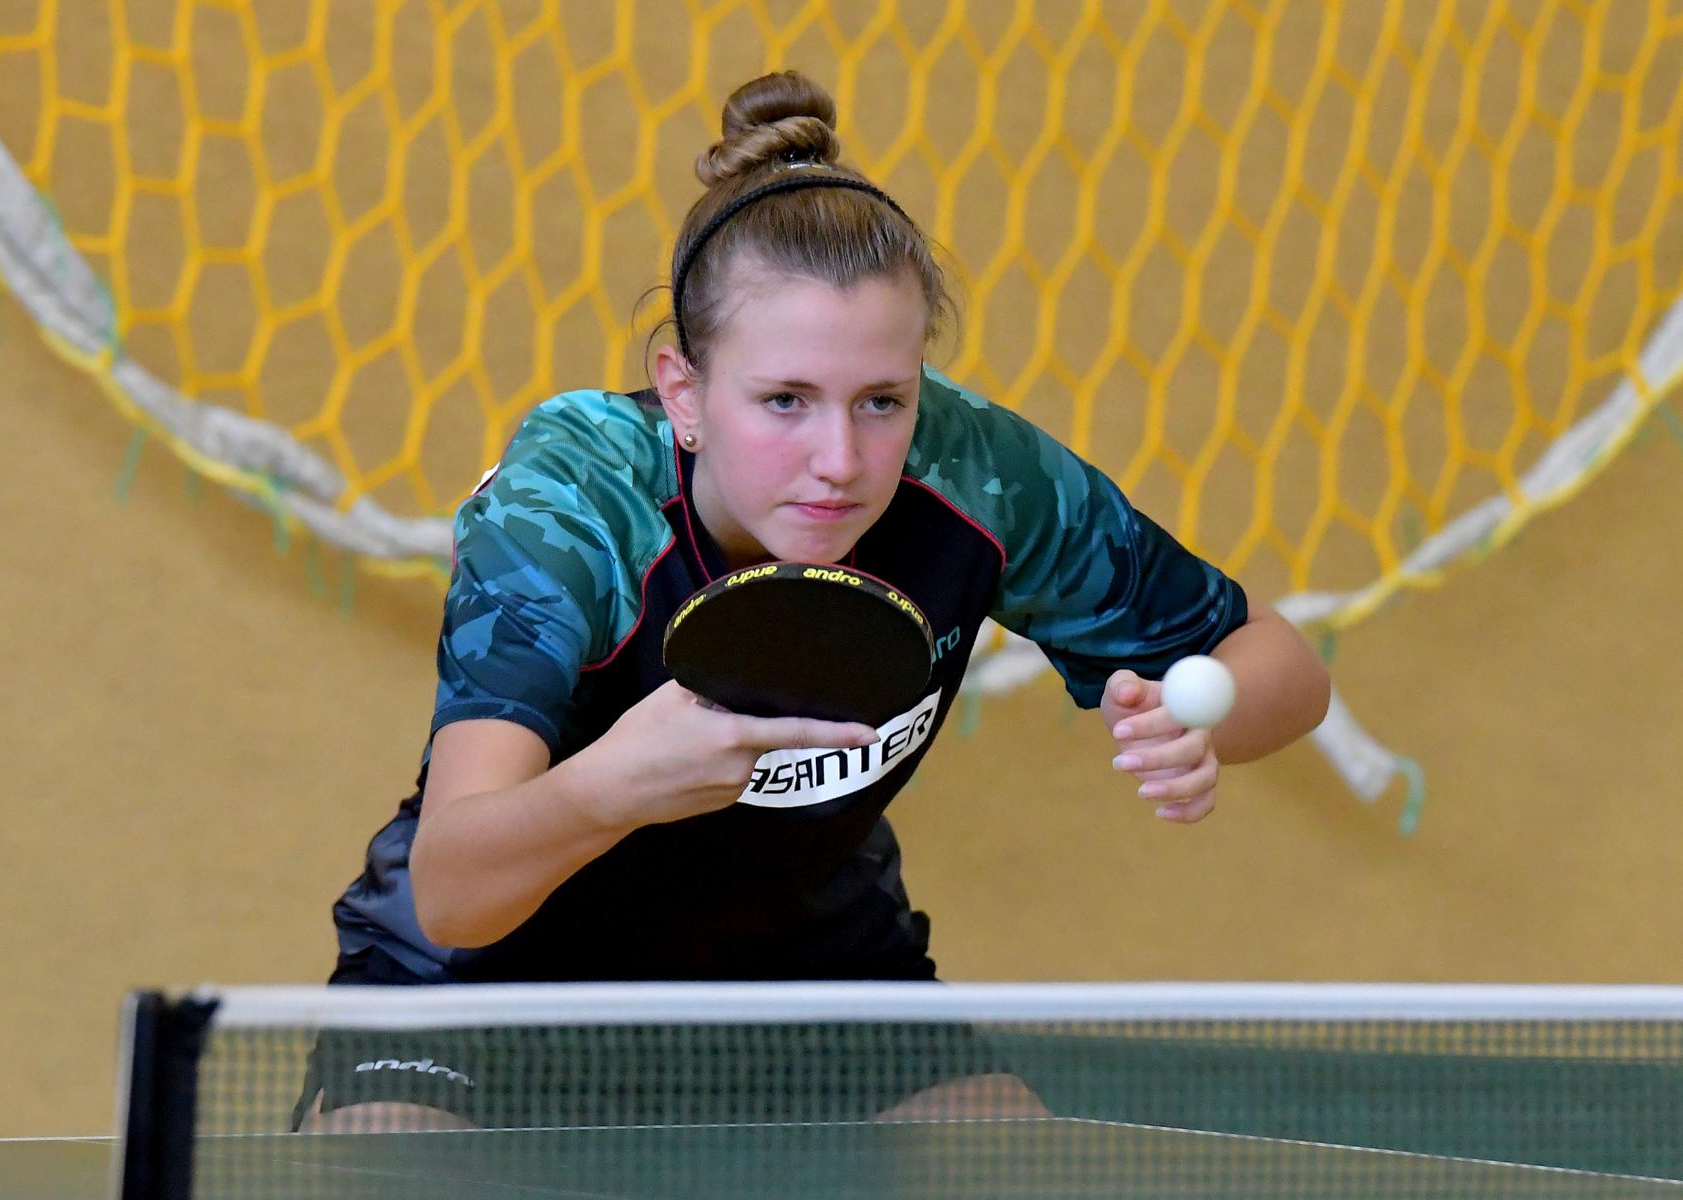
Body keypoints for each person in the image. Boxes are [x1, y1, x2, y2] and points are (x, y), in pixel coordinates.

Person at [296, 70, 1331, 1131]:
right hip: (488, 988)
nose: (839, 459)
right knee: (392, 1164)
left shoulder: (977, 477)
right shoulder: (568, 511)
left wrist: (1200, 725)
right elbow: (453, 892)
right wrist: (613, 786)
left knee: (1007, 1155)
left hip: (803, 973)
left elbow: (1281, 667)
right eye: (784, 400)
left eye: (882, 401)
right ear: (684, 391)